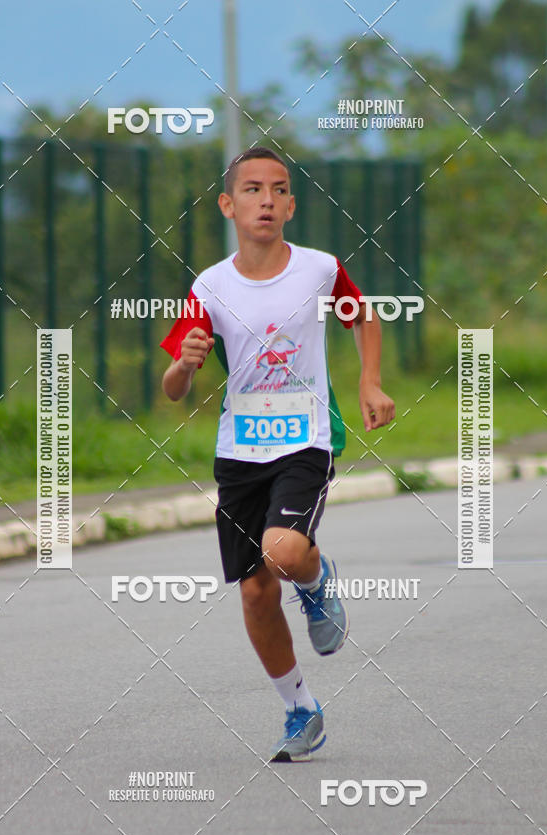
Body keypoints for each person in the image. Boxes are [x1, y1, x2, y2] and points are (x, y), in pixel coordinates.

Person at [161, 147, 395, 761]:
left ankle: (316, 581)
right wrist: (182, 369)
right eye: (253, 189)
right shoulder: (208, 286)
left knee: (284, 552)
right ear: (228, 204)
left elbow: (362, 315)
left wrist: (370, 382)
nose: (266, 199)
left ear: (291, 204)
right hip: (239, 452)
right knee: (256, 593)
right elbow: (172, 387)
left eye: (279, 189)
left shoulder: (319, 269)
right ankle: (299, 708)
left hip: (305, 440)